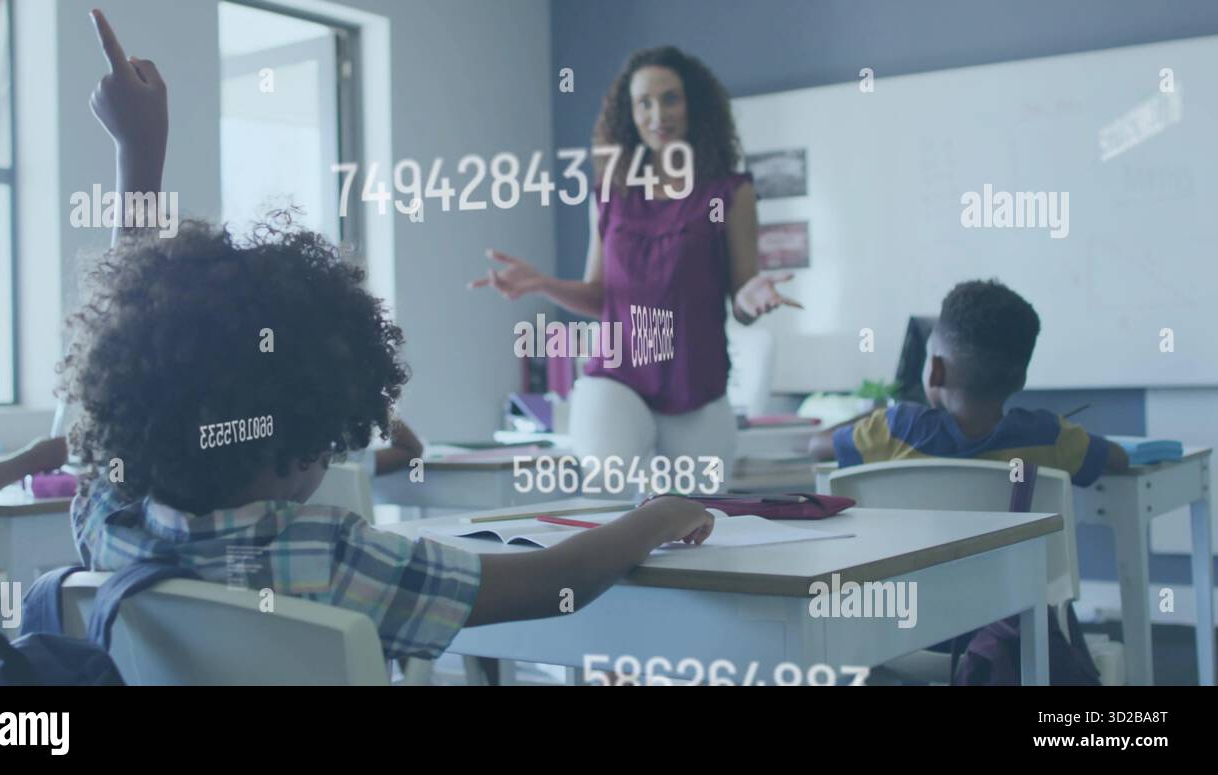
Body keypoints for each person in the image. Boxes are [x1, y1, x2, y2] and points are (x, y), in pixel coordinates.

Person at [66, 9, 715, 661]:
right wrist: (661, 512)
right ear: (304, 439)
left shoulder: (114, 525)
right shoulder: (328, 555)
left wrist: (138, 153)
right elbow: (555, 582)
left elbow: (132, 345)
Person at [470, 46, 801, 489]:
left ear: (693, 106)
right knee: (608, 492)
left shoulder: (729, 193)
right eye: (643, 102)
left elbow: (740, 297)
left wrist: (753, 297)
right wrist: (542, 284)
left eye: (670, 99)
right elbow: (600, 295)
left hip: (696, 386)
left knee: (696, 521)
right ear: (629, 114)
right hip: (618, 374)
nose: (657, 114)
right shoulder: (612, 193)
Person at [809, 279, 1129, 483]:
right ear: (1020, 380)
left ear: (935, 371)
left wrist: (878, 412)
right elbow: (1119, 458)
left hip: (911, 587)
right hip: (1014, 590)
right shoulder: (1050, 437)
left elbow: (817, 446)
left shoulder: (896, 429)